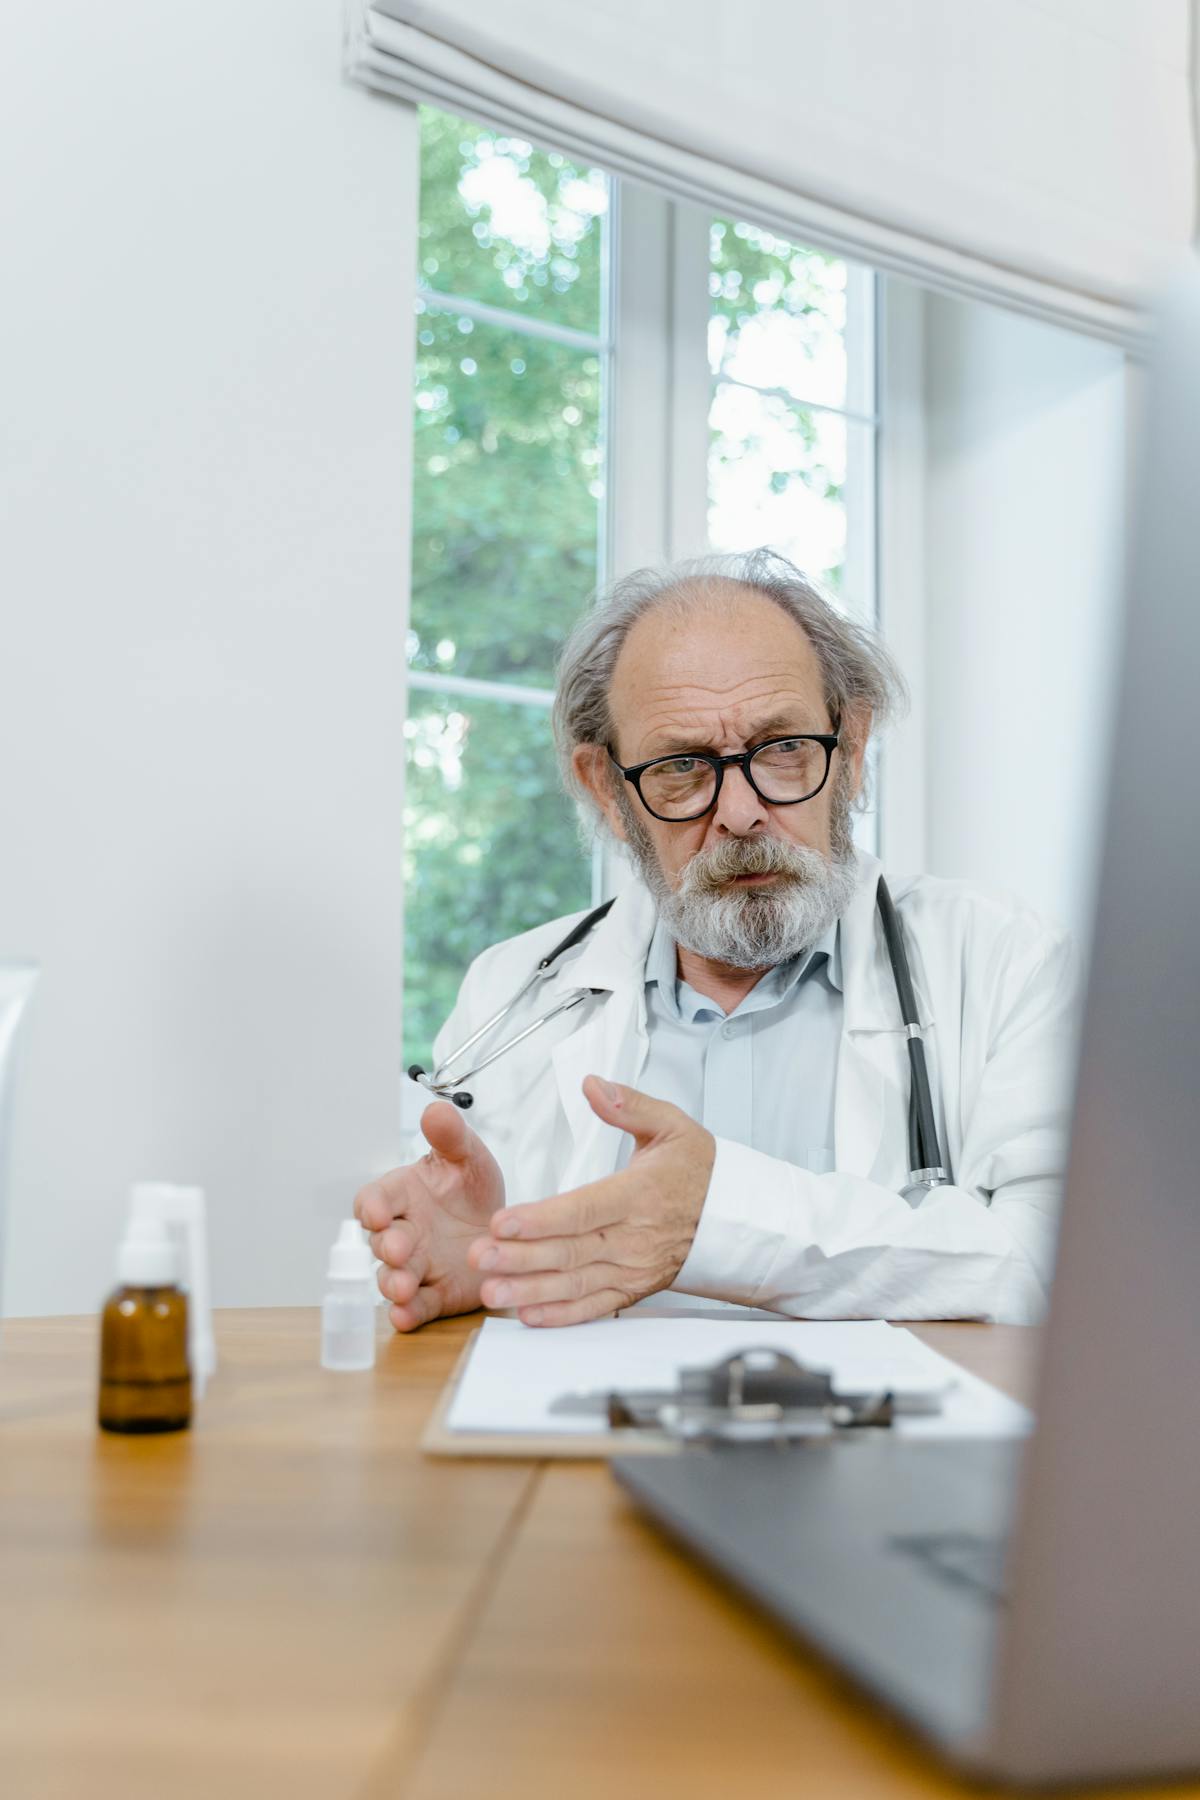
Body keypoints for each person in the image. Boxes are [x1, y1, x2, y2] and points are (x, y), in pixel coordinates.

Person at [357, 550, 1075, 1329]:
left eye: (783, 748)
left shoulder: (1006, 960)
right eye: (682, 767)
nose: (740, 811)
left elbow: (1063, 1270)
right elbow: (474, 1256)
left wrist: (719, 1218)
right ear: (606, 788)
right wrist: (482, 1263)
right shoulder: (513, 989)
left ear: (854, 747)